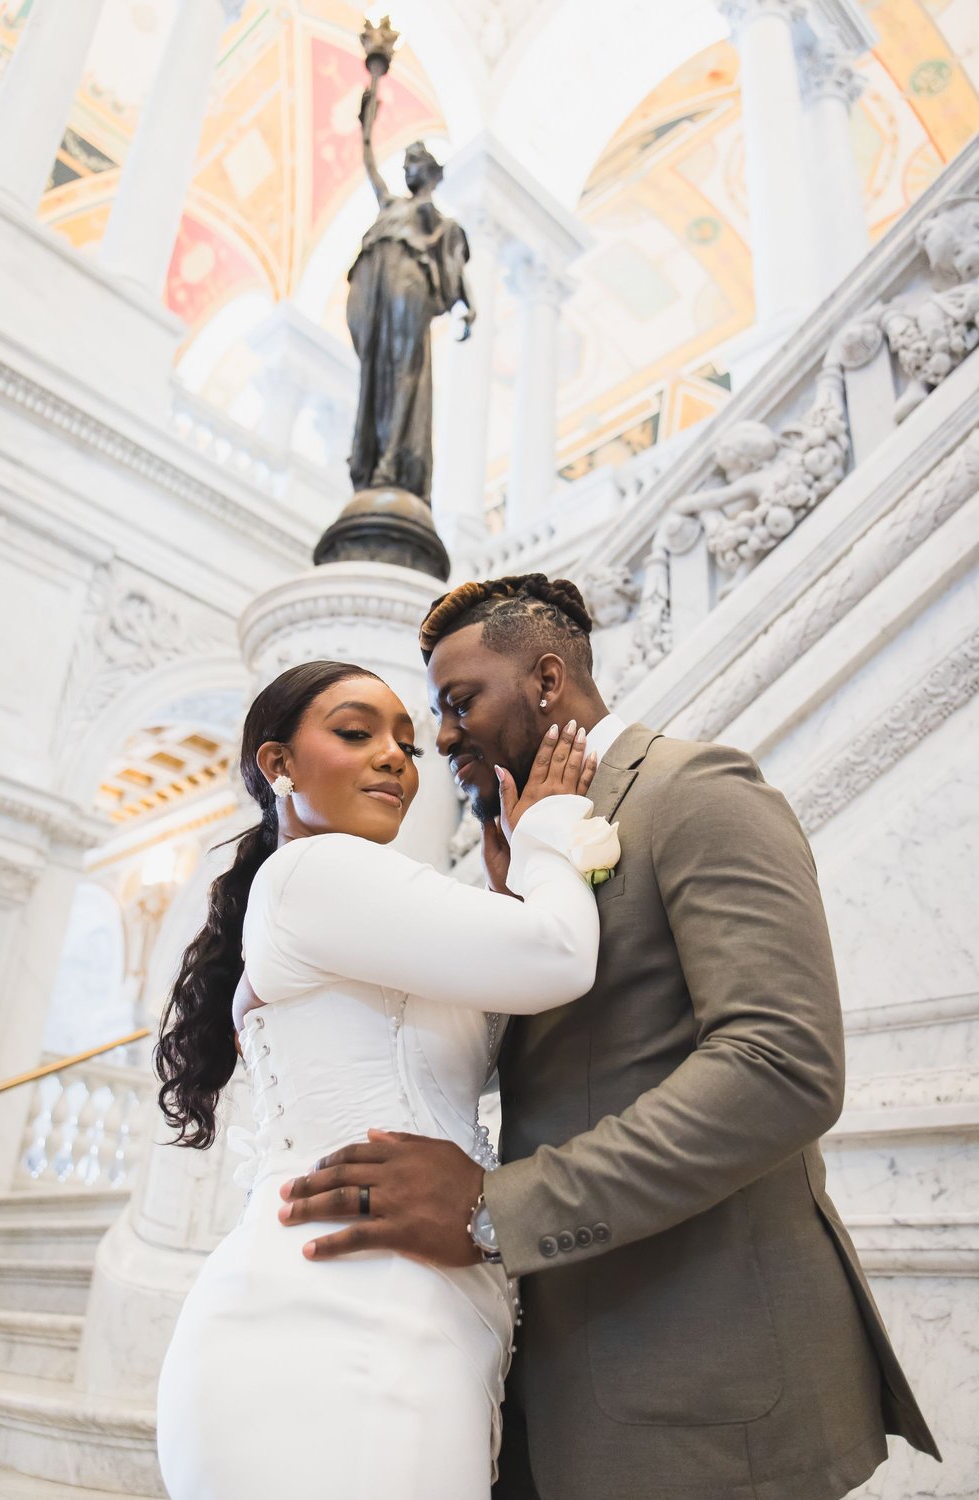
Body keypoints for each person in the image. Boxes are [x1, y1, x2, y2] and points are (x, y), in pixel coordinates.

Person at [281, 575, 940, 1500]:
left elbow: (781, 1066)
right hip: (551, 1379)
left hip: (704, 1379)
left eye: (460, 702)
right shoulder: (527, 852)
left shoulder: (693, 791)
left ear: (548, 680)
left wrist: (493, 1210)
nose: (443, 737)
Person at [154, 659, 604, 1500]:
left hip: (404, 1308)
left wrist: (509, 891)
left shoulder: (352, 902)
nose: (396, 756)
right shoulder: (315, 873)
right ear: (279, 764)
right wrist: (548, 832)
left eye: (407, 743)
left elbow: (489, 1020)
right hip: (332, 1316)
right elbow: (560, 956)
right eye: (357, 733)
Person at [346, 72, 473, 501]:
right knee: (376, 370)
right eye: (404, 163)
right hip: (376, 281)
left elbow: (455, 265)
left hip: (410, 282)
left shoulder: (437, 219)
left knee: (404, 368)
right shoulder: (391, 204)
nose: (405, 168)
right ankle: (372, 455)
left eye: (413, 162)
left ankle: (392, 460)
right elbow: (369, 166)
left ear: (430, 173)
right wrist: (367, 125)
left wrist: (467, 304)